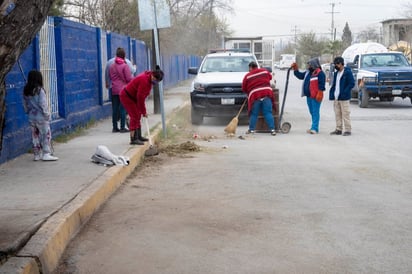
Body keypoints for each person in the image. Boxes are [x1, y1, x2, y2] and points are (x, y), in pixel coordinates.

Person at [120, 65, 164, 145]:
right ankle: (133, 139)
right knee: (134, 116)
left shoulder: (149, 79)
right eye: (155, 79)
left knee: (138, 115)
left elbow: (140, 98)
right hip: (127, 96)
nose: (155, 82)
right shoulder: (144, 81)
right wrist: (144, 112)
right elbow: (140, 99)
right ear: (152, 75)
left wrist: (142, 112)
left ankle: (139, 136)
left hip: (133, 98)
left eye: (157, 81)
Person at [23, 70, 58, 161]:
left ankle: (36, 154)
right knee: (46, 135)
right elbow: (43, 104)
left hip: (31, 117)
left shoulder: (26, 91)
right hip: (41, 117)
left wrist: (27, 111)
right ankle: (46, 153)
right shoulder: (40, 90)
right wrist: (47, 115)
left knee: (35, 136)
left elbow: (25, 104)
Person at [291, 58, 326, 134]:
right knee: (312, 111)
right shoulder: (308, 73)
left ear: (314, 65)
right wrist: (295, 70)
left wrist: (320, 92)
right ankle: (314, 127)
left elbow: (322, 84)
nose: (308, 66)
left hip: (316, 96)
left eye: (310, 65)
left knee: (315, 111)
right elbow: (300, 76)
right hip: (309, 96)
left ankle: (314, 128)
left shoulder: (320, 73)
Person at [242, 61, 276, 135]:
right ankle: (272, 130)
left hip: (255, 96)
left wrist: (248, 92)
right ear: (257, 66)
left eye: (249, 68)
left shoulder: (247, 76)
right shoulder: (264, 71)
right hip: (267, 94)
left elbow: (244, 87)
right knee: (268, 113)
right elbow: (270, 77)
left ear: (250, 67)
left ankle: (251, 130)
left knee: (254, 114)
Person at [328, 56, 355, 136]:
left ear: (340, 64)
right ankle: (338, 129)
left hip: (344, 98)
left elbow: (351, 83)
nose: (335, 66)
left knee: (345, 114)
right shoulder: (337, 73)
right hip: (337, 97)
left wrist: (345, 92)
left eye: (336, 64)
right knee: (337, 114)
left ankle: (348, 130)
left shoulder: (347, 72)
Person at [108, 47, 133, 133]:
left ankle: (115, 127)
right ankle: (122, 127)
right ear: (124, 56)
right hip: (123, 90)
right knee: (123, 108)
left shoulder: (112, 66)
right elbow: (129, 79)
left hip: (114, 89)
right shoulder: (125, 66)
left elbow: (111, 77)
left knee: (115, 109)